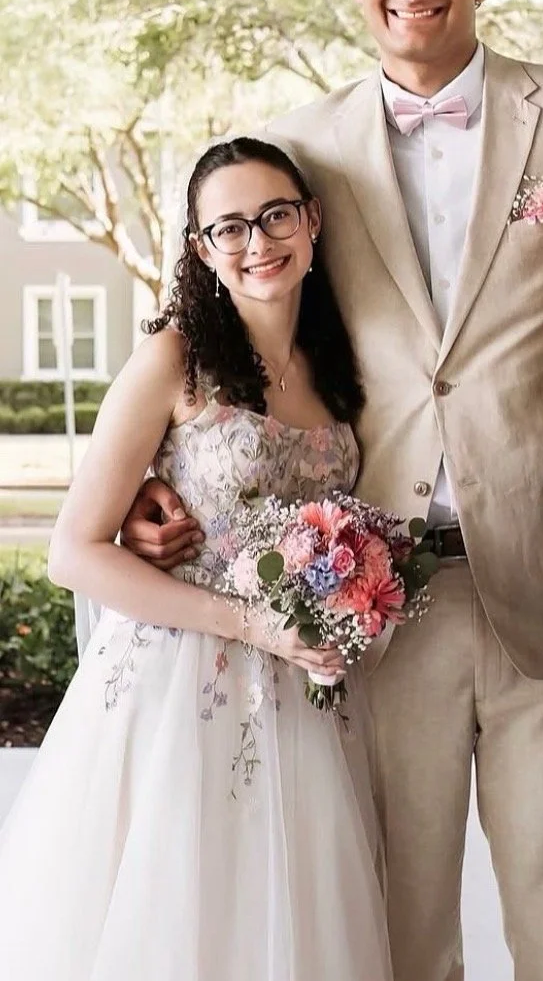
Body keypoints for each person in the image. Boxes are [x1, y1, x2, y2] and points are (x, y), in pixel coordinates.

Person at [120, 0, 543, 981]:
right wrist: (162, 478)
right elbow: (238, 318)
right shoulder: (300, 146)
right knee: (396, 932)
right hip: (375, 595)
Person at [0, 138, 393, 981]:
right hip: (182, 686)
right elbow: (73, 552)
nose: (258, 243)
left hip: (305, 696)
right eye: (230, 228)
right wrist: (250, 621)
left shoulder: (339, 363)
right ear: (200, 249)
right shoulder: (174, 361)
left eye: (275, 215)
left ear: (311, 220)